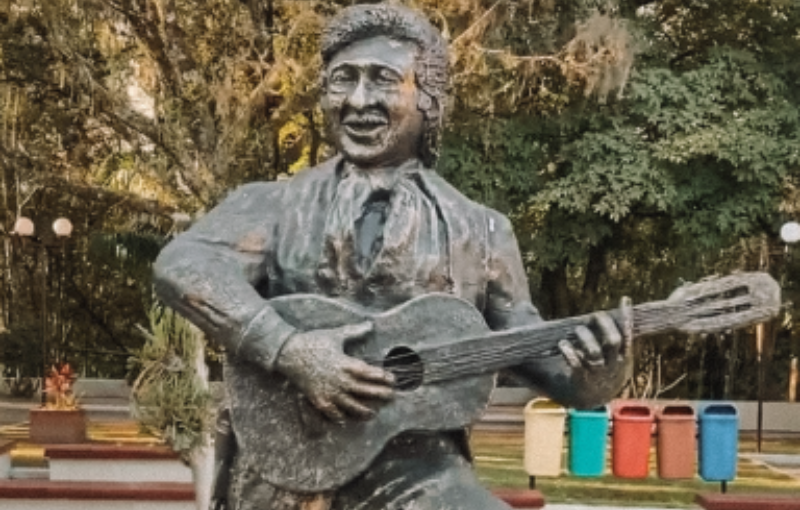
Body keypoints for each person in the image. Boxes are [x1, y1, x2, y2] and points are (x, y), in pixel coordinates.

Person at [153, 4, 631, 510]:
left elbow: (527, 345)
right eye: (343, 80)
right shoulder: (272, 203)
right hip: (288, 467)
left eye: (382, 80)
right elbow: (183, 266)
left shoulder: (482, 230)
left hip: (420, 475)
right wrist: (290, 349)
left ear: (428, 99)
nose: (358, 100)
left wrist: (593, 381)